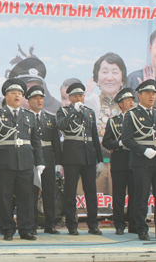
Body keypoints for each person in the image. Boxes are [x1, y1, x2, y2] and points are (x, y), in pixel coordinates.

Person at [0, 78, 45, 241]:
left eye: (19, 93)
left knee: (26, 197)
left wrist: (40, 162)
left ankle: (25, 229)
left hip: (25, 162)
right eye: (13, 93)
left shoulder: (29, 116)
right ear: (6, 96)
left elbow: (36, 141)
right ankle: (7, 228)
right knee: (5, 198)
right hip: (4, 163)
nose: (17, 96)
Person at [121, 79, 156, 241]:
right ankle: (141, 229)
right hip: (142, 162)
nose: (152, 96)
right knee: (141, 197)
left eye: (153, 93)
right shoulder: (132, 114)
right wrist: (144, 150)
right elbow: (127, 140)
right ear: (140, 95)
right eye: (148, 93)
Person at [56, 82, 104, 236]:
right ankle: (72, 225)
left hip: (89, 157)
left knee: (91, 192)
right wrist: (73, 112)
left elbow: (94, 137)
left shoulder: (89, 112)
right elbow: (61, 126)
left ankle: (93, 224)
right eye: (75, 96)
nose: (78, 98)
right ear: (69, 98)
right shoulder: (63, 111)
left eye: (81, 95)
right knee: (70, 193)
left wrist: (100, 159)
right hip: (71, 157)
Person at [88, 52, 127, 200]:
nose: (109, 77)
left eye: (115, 72)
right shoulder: (89, 103)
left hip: (124, 165)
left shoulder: (132, 107)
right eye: (104, 72)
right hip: (96, 167)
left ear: (122, 79)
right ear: (97, 78)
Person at [24, 85, 62, 235]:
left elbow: (56, 143)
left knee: (49, 191)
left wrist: (58, 162)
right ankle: (31, 224)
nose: (39, 101)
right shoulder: (24, 117)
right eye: (35, 98)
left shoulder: (50, 118)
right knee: (31, 193)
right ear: (29, 101)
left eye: (41, 98)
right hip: (30, 159)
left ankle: (50, 223)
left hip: (48, 158)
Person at [102, 87, 136, 235]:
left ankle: (135, 224)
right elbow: (106, 142)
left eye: (132, 100)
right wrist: (119, 144)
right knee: (119, 195)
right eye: (127, 100)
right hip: (119, 162)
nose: (131, 102)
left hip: (136, 162)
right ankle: (119, 225)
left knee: (136, 195)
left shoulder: (139, 119)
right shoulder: (113, 121)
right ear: (120, 104)